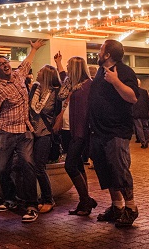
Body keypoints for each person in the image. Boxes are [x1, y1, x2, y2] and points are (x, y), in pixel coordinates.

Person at [0, 39, 46, 224]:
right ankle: (10, 199)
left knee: (28, 164)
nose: (5, 66)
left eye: (6, 62)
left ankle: (31, 205)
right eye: (0, 65)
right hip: (5, 132)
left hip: (24, 131)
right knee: (3, 168)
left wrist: (34, 49)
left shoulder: (19, 76)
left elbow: (27, 63)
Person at [88, 40, 139, 228]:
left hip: (116, 130)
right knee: (106, 171)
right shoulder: (101, 73)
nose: (98, 52)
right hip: (99, 131)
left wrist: (116, 81)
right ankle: (117, 206)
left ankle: (131, 208)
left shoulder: (124, 72)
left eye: (101, 49)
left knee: (119, 170)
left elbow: (132, 97)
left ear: (108, 54)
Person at [55, 55, 96, 216]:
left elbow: (87, 111)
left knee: (70, 165)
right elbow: (64, 76)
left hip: (79, 131)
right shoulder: (72, 84)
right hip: (67, 129)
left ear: (76, 69)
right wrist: (58, 63)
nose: (67, 68)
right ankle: (84, 202)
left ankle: (86, 200)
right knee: (77, 165)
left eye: (69, 66)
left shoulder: (87, 86)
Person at [28, 64, 61, 214]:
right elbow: (29, 109)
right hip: (31, 132)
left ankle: (49, 199)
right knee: (31, 166)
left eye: (40, 71)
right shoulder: (35, 89)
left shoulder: (55, 93)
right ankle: (38, 198)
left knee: (40, 167)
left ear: (46, 75)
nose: (37, 72)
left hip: (45, 133)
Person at [132, 79, 149, 149]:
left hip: (135, 112)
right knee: (146, 127)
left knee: (139, 128)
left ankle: (143, 142)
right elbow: (148, 102)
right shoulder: (144, 91)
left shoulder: (132, 91)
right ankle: (147, 141)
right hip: (144, 112)